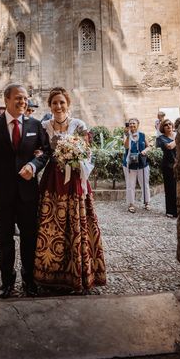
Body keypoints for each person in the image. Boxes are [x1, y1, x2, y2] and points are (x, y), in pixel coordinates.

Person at [0, 83, 50, 298]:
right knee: (5, 239)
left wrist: (34, 165)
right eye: (18, 98)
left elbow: (46, 152)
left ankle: (29, 281)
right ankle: (7, 282)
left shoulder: (36, 125)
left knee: (29, 238)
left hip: (28, 193)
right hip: (1, 194)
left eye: (25, 98)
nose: (23, 102)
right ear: (6, 100)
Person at [34, 87, 106, 293]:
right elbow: (42, 151)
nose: (58, 106)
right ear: (50, 105)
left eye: (62, 102)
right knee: (51, 223)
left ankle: (79, 272)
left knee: (77, 223)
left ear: (68, 104)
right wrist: (39, 153)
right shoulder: (44, 126)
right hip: (52, 180)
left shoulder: (78, 125)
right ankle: (51, 273)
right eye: (54, 103)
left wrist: (75, 155)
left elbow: (87, 150)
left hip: (74, 178)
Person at [122, 118, 151, 213]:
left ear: (138, 124)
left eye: (133, 123)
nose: (131, 125)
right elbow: (126, 147)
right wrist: (127, 136)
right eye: (130, 124)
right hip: (129, 164)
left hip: (142, 163)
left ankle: (147, 202)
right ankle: (131, 204)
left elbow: (149, 146)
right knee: (130, 184)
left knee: (145, 183)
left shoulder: (142, 135)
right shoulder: (126, 136)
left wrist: (144, 151)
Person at [156, 119, 177, 218]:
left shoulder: (177, 135)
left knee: (179, 188)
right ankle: (171, 211)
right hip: (168, 166)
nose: (169, 126)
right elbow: (169, 146)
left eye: (170, 124)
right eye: (166, 125)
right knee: (170, 189)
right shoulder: (161, 138)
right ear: (163, 128)